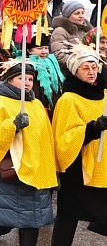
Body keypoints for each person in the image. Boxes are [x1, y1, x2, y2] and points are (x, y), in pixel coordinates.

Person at [0, 62, 57, 246]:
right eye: (21, 78)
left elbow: (45, 139)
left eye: (30, 79)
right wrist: (13, 126)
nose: (27, 83)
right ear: (9, 80)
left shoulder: (37, 104)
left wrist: (51, 171)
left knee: (33, 221)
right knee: (5, 220)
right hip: (9, 171)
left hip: (35, 171)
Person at [50, 45, 107, 245]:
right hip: (76, 166)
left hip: (102, 165)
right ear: (75, 70)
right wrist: (92, 128)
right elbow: (63, 138)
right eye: (86, 68)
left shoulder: (105, 94)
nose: (92, 72)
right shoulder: (68, 99)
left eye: (94, 67)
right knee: (69, 215)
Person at [17, 31, 64, 114]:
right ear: (29, 50)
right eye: (40, 48)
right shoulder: (24, 65)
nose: (44, 51)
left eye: (46, 48)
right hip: (35, 101)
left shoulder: (51, 61)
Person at [51, 0, 93, 71]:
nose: (81, 16)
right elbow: (59, 55)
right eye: (77, 13)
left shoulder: (85, 31)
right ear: (68, 15)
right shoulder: (60, 31)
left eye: (82, 13)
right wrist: (80, 64)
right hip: (70, 72)